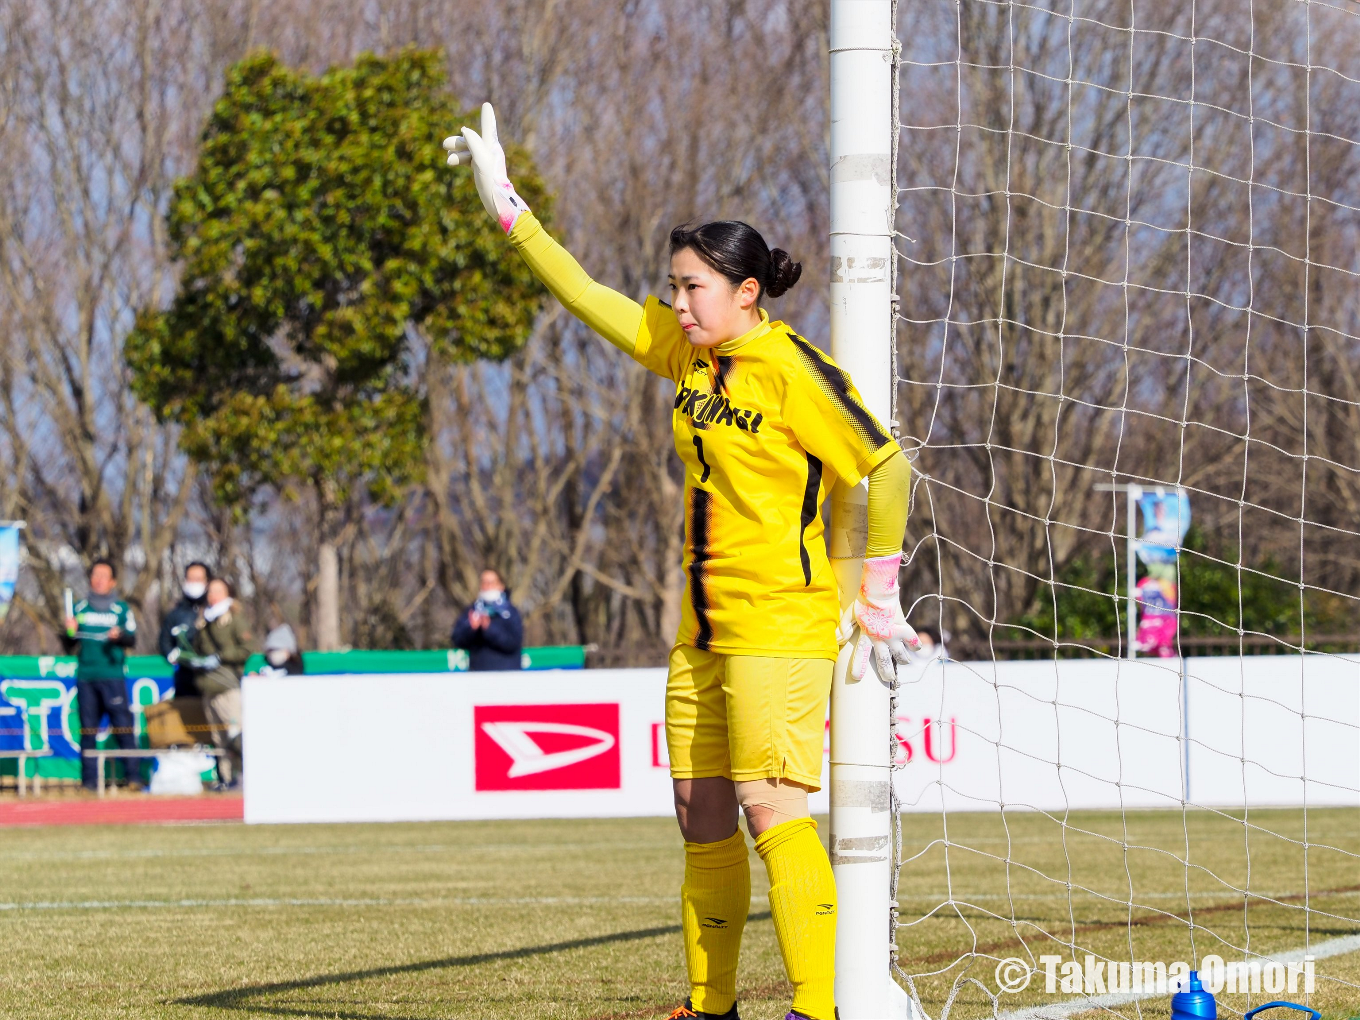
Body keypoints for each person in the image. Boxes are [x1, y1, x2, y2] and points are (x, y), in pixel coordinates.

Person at [445, 106, 919, 1020]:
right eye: (672, 286)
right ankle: (712, 1008)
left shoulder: (791, 370)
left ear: (747, 292)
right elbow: (586, 295)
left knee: (770, 811)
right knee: (701, 817)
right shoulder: (691, 359)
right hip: (699, 631)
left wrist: (878, 588)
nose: (677, 302)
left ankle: (819, 1010)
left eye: (694, 287)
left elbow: (887, 464)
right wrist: (507, 209)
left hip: (780, 620)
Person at [64, 558, 141, 791]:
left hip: (112, 676)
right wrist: (69, 630)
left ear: (113, 581)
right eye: (95, 575)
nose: (98, 580)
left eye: (103, 576)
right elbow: (69, 644)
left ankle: (133, 778)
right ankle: (88, 783)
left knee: (123, 728)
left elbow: (132, 639)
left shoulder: (121, 609)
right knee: (88, 730)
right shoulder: (79, 608)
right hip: (87, 676)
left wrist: (119, 637)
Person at [192, 577, 257, 788]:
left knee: (236, 734)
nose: (213, 596)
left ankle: (247, 777)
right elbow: (197, 648)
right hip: (208, 686)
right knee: (218, 739)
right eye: (210, 591)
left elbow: (247, 648)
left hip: (228, 686)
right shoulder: (203, 621)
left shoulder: (235, 619)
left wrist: (221, 656)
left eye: (218, 591)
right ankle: (225, 778)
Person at [451, 569, 523, 672]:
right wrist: (471, 629)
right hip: (479, 675)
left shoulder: (510, 612)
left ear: (501, 586)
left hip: (507, 675)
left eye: (491, 582)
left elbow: (513, 643)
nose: (487, 586)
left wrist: (489, 628)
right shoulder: (473, 611)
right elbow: (457, 640)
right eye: (484, 582)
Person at [158, 561, 210, 696]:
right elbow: (165, 641)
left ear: (207, 581)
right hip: (185, 677)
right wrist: (173, 655)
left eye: (198, 579)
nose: (193, 583)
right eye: (190, 579)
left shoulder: (215, 611)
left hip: (213, 677)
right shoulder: (176, 613)